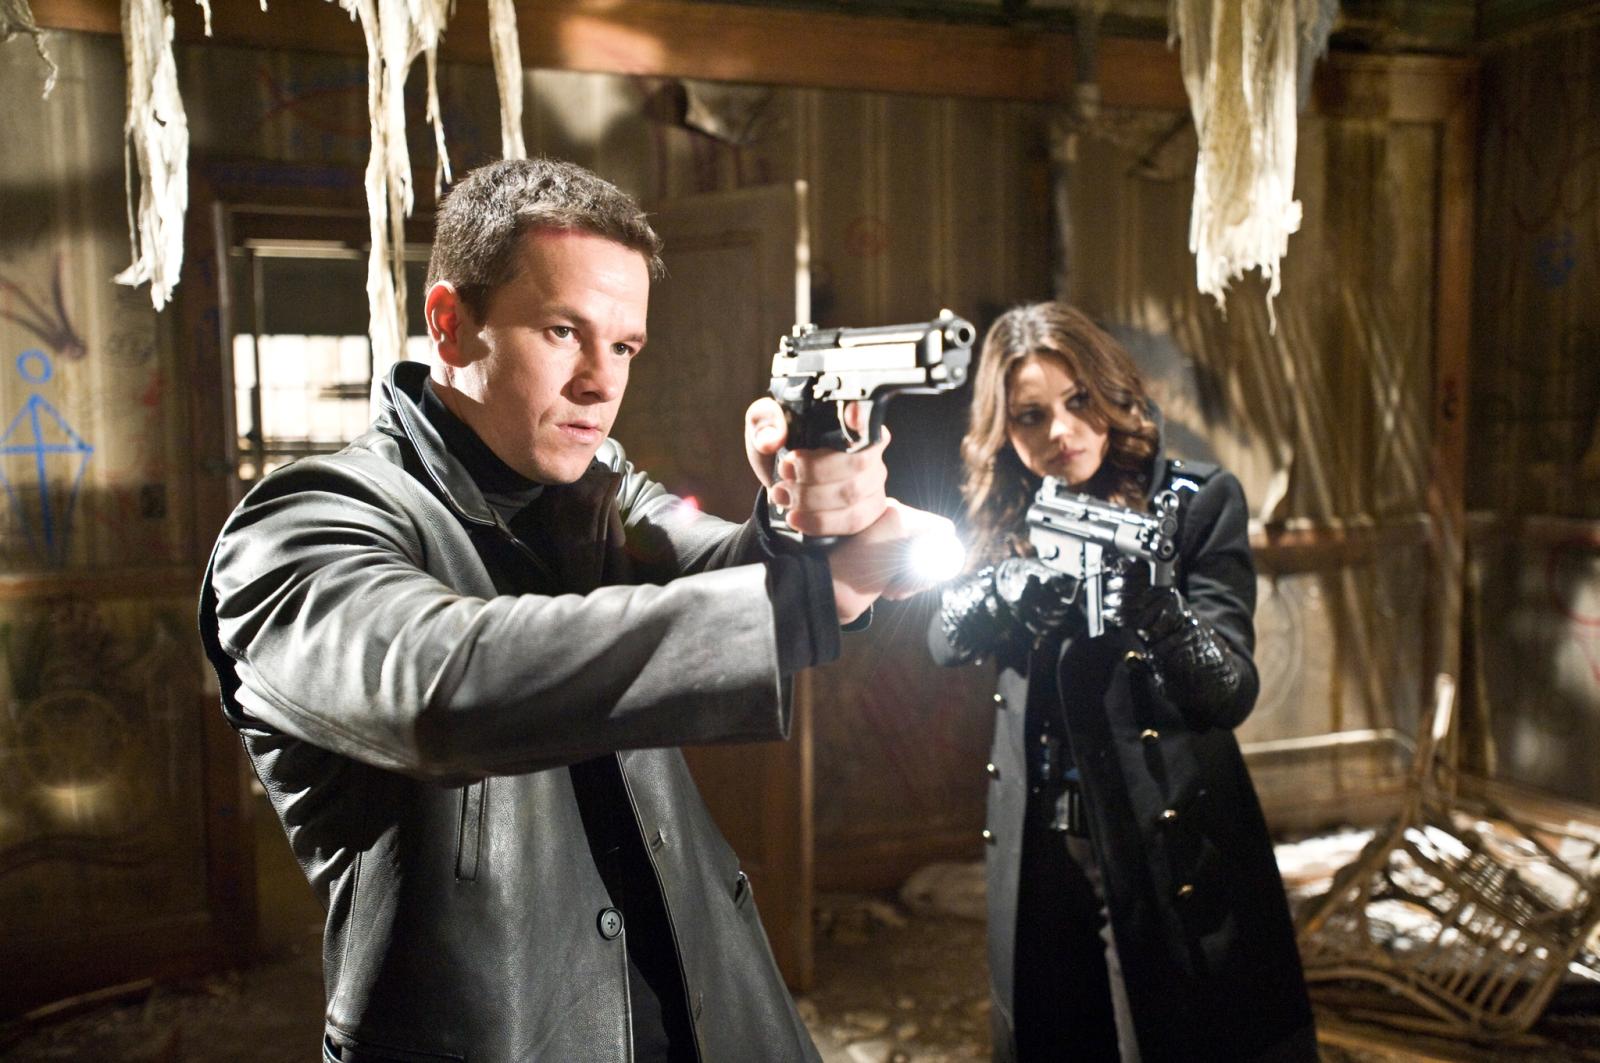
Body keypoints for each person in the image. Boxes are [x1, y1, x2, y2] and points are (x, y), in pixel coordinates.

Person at [198, 157, 950, 1063]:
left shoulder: (600, 488)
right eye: (563, 331)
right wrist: (801, 595)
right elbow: (440, 686)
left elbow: (721, 568)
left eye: (625, 346)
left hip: (708, 1013)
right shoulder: (300, 525)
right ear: (449, 323)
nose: (601, 381)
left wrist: (807, 520)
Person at [928, 302, 1316, 1062]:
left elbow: (1231, 692)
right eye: (1031, 416)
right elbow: (942, 639)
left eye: (1079, 400)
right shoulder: (1009, 510)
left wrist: (1159, 612)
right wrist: (1006, 588)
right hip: (1044, 844)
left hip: (1164, 841)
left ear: (1111, 392)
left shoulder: (1195, 501)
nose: (1062, 432)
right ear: (1004, 431)